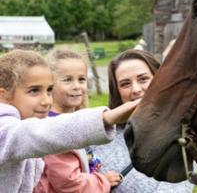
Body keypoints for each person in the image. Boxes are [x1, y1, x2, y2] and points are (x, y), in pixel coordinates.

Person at [0, 49, 139, 193]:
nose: (47, 100)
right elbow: (35, 133)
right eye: (34, 90)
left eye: (49, 90)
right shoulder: (5, 131)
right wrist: (107, 118)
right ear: (3, 96)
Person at [90, 49, 195, 192]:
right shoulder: (99, 134)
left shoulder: (182, 135)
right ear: (117, 91)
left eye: (143, 79)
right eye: (125, 84)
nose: (136, 89)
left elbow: (177, 187)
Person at [34, 49, 121, 193]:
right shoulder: (53, 130)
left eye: (81, 79)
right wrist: (103, 181)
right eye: (67, 80)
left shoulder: (72, 119)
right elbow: (69, 184)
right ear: (49, 85)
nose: (77, 86)